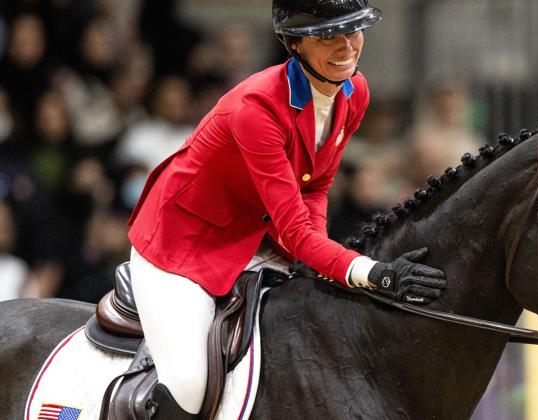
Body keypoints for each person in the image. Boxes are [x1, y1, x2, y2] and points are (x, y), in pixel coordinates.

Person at [126, 1, 447, 418]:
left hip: (254, 235)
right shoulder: (256, 110)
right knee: (189, 385)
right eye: (330, 35)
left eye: (354, 31)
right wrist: (374, 272)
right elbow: (296, 231)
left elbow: (316, 186)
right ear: (295, 43)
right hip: (181, 244)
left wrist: (317, 254)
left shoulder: (354, 93)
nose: (347, 46)